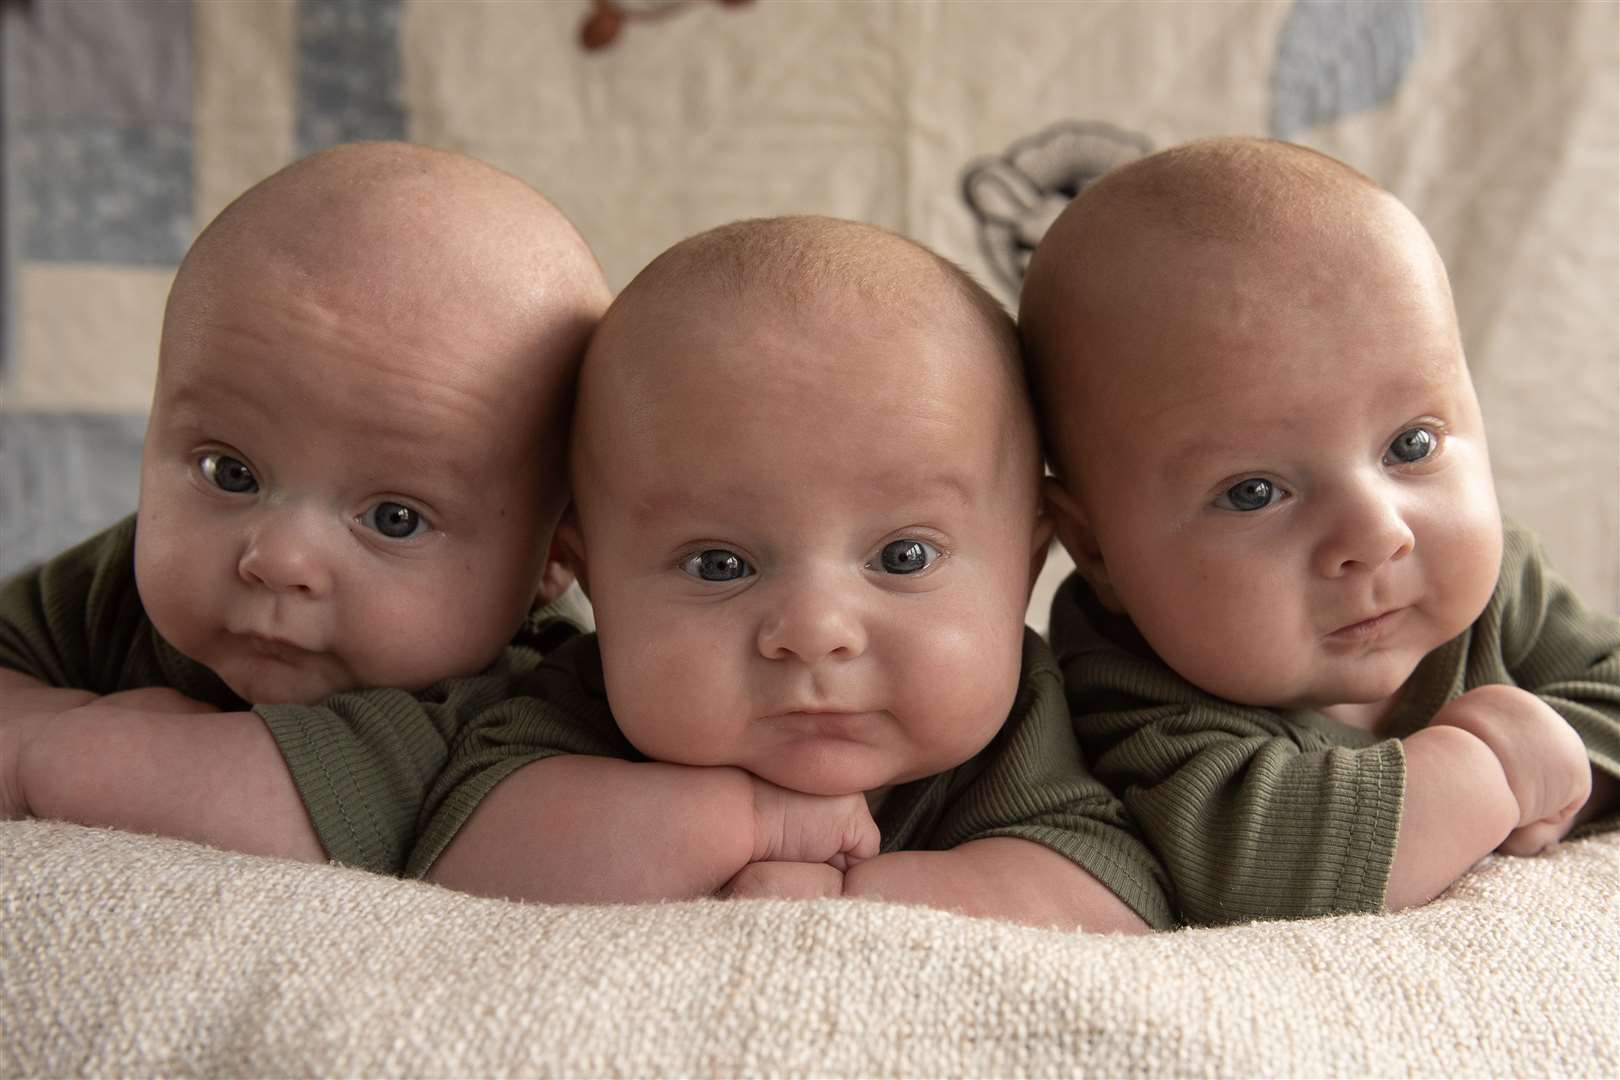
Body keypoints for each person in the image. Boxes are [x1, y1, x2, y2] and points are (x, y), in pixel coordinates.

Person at [406, 216, 1172, 932]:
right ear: (587, 573)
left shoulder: (1023, 728)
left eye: (903, 556)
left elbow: (1113, 903)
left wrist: (853, 895)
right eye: (719, 565)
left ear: (1025, 566)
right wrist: (751, 825)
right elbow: (464, 860)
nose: (813, 633)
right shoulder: (576, 706)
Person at [1017, 135, 1620, 926]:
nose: (1375, 533)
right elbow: (1252, 872)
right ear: (1095, 550)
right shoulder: (1124, 682)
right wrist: (1493, 769)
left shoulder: (1501, 585)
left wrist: (1562, 759)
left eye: (1411, 445)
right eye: (1255, 491)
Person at [0, 141, 610, 875]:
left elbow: (271, 818)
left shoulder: (528, 707)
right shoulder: (121, 587)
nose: (277, 556)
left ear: (555, 557)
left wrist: (49, 751)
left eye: (395, 518)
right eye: (229, 472)